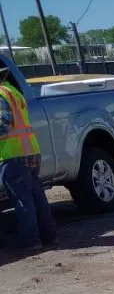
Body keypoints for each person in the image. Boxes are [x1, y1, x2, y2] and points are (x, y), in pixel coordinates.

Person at [0, 63, 56, 251]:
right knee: (36, 195)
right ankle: (48, 235)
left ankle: (31, 240)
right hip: (30, 150)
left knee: (23, 199)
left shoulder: (0, 94)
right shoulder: (12, 91)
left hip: (13, 153)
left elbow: (3, 125)